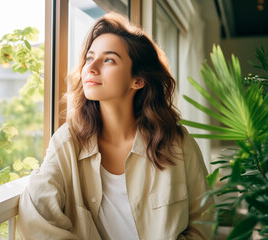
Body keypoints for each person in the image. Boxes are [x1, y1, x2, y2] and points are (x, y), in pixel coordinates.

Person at [17, 12, 214, 240]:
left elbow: (205, 219)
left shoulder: (177, 143)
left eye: (109, 59)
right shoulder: (68, 142)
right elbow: (34, 215)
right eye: (90, 58)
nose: (91, 68)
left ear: (138, 80)